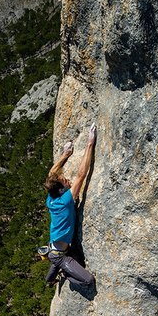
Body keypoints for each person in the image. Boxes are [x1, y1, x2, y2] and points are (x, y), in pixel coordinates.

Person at [44, 123, 97, 287]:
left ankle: (49, 279)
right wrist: (90, 144)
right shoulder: (66, 200)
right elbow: (82, 174)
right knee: (88, 281)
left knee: (59, 257)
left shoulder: (51, 198)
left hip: (56, 248)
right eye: (64, 181)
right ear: (61, 190)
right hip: (60, 255)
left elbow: (52, 173)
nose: (67, 180)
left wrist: (66, 154)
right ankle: (65, 275)